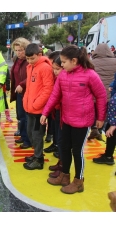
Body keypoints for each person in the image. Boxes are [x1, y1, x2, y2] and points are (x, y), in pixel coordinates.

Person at [41, 45, 107, 194]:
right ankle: (64, 176)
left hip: (82, 122)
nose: (62, 65)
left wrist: (101, 118)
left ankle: (78, 181)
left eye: (64, 62)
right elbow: (55, 95)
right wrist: (45, 113)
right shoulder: (63, 75)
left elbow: (101, 96)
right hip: (66, 119)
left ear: (74, 60)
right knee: (64, 148)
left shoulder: (90, 75)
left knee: (77, 151)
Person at [22, 43, 54, 170]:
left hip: (38, 109)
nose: (29, 61)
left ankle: (39, 159)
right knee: (30, 133)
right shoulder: (30, 67)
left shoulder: (45, 68)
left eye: (32, 58)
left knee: (37, 134)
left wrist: (36, 104)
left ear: (39, 55)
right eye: (27, 59)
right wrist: (27, 101)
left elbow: (48, 89)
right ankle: (36, 155)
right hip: (30, 107)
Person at [88, 43, 116, 142]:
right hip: (111, 95)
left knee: (95, 114)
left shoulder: (91, 62)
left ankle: (95, 129)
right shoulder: (115, 62)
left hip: (96, 95)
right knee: (109, 117)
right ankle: (103, 132)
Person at [10, 37, 32, 149]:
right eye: (17, 50)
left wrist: (22, 84)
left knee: (27, 117)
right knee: (21, 116)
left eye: (21, 50)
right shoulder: (17, 60)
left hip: (28, 93)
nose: (18, 53)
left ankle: (28, 140)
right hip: (19, 93)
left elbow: (31, 76)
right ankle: (23, 136)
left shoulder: (29, 61)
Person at [45, 53, 64, 179]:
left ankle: (65, 171)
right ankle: (61, 164)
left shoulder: (67, 78)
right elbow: (54, 96)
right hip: (58, 111)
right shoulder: (59, 78)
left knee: (65, 143)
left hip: (67, 114)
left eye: (57, 69)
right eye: (54, 69)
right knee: (60, 138)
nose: (55, 72)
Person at [93, 75, 116, 165]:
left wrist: (113, 124)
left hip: (114, 119)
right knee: (109, 134)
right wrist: (112, 85)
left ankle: (108, 156)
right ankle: (108, 155)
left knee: (111, 134)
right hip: (112, 117)